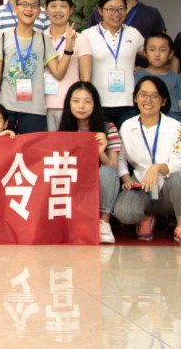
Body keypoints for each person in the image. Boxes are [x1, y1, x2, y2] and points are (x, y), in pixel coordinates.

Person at [114, 77, 181, 247]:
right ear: (135, 98)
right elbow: (120, 158)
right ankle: (147, 217)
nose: (148, 100)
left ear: (163, 101)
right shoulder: (127, 126)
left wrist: (158, 168)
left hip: (168, 186)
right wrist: (126, 178)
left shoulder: (176, 127)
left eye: (155, 96)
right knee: (123, 211)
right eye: (143, 95)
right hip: (140, 185)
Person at [0, 0, 74, 133]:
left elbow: (58, 73)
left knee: (32, 147)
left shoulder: (44, 40)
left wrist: (68, 49)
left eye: (34, 6)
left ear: (39, 12)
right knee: (4, 146)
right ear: (16, 9)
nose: (29, 9)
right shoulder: (3, 38)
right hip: (6, 108)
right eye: (24, 5)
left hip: (35, 110)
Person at [58, 81, 121, 244]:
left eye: (87, 101)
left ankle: (104, 223)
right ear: (69, 103)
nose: (81, 106)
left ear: (95, 104)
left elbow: (113, 169)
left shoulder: (108, 128)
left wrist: (100, 152)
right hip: (74, 184)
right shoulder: (63, 130)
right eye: (76, 101)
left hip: (98, 185)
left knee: (107, 171)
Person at [78, 0, 146, 130]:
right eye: (111, 9)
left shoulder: (134, 34)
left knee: (128, 143)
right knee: (101, 142)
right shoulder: (87, 35)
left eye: (121, 9)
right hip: (98, 104)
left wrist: (143, 70)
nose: (116, 14)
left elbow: (153, 56)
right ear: (100, 11)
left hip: (128, 104)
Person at [86, 0, 167, 60]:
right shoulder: (98, 12)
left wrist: (148, 68)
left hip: (142, 70)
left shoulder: (151, 14)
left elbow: (163, 48)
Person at [43, 0, 82, 132]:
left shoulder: (81, 39)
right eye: (53, 6)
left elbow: (85, 78)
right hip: (42, 105)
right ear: (46, 9)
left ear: (71, 10)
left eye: (63, 6)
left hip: (70, 106)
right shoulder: (40, 38)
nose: (58, 10)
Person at [137, 33, 181, 124]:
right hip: (148, 123)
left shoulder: (176, 77)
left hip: (175, 122)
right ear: (145, 52)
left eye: (162, 50)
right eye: (152, 49)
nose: (157, 54)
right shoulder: (138, 75)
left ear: (171, 54)